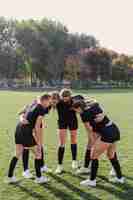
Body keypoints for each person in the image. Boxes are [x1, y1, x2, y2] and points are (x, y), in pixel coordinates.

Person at [72, 98, 125, 187]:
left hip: (107, 133)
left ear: (79, 108)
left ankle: (92, 180)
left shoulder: (84, 114)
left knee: (93, 155)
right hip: (114, 129)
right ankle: (120, 178)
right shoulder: (94, 106)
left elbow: (89, 130)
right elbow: (96, 103)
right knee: (111, 155)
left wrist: (94, 142)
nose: (76, 113)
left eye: (76, 110)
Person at [7, 94, 51, 184]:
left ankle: (10, 177)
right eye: (49, 101)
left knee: (17, 153)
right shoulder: (41, 109)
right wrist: (38, 142)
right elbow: (37, 127)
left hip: (18, 129)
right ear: (44, 100)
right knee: (38, 154)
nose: (49, 103)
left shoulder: (33, 104)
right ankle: (39, 178)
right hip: (26, 131)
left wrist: (22, 118)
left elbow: (22, 113)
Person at [19, 98, 51, 179]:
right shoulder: (34, 103)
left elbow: (40, 118)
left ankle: (42, 166)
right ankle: (26, 170)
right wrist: (22, 118)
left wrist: (41, 126)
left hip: (36, 126)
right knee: (27, 148)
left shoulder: (47, 106)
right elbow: (21, 112)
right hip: (28, 128)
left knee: (40, 146)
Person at [51, 89, 79, 174]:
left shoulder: (74, 101)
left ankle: (74, 161)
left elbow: (83, 100)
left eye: (66, 97)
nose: (65, 99)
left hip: (73, 122)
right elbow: (50, 100)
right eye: (63, 97)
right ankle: (59, 165)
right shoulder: (58, 102)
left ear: (70, 96)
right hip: (62, 123)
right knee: (61, 143)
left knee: (73, 140)